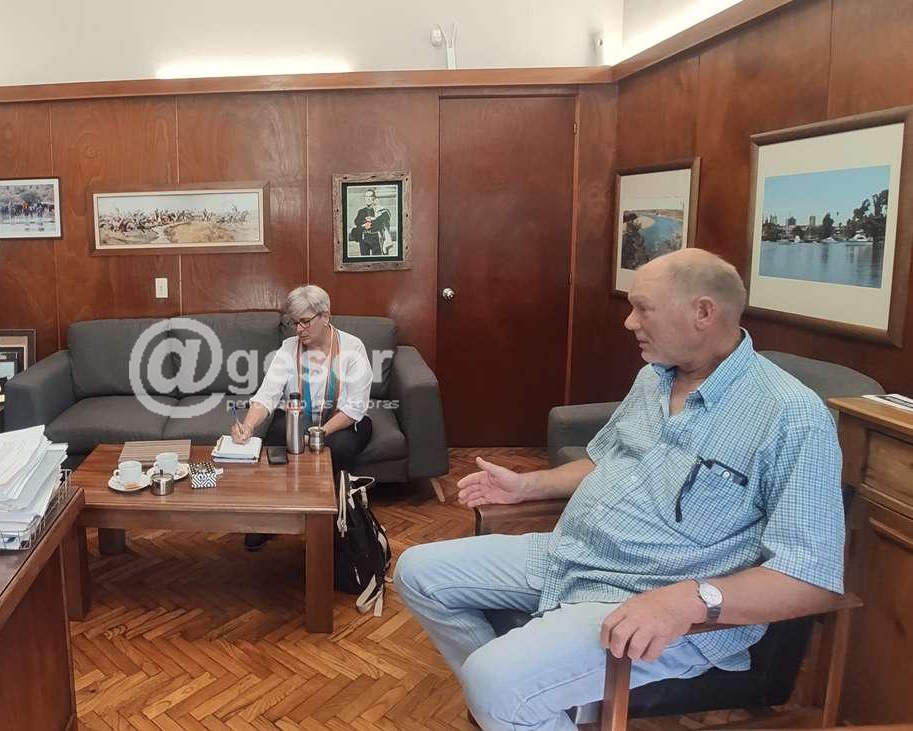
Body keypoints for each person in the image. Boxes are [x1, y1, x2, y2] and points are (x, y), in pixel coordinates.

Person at [394, 249, 845, 731]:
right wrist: (526, 485)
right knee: (417, 572)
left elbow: (811, 578)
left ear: (703, 312)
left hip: (650, 597)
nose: (629, 322)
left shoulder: (791, 415)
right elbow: (603, 460)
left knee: (494, 682)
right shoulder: (653, 378)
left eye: (643, 308)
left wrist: (690, 601)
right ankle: (528, 701)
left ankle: (511, 696)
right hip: (570, 555)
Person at [231, 284, 375, 550]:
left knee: (338, 449)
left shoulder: (353, 348)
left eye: (305, 321)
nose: (299, 329)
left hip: (341, 423)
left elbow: (354, 408)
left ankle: (330, 525)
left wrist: (318, 434)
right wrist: (248, 425)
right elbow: (267, 395)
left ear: (325, 316)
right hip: (299, 419)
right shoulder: (288, 349)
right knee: (274, 440)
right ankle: (270, 519)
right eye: (294, 322)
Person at [349, 188, 390, 256]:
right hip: (364, 237)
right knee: (364, 258)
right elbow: (357, 222)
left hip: (376, 237)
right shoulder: (361, 211)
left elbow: (384, 219)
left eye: (370, 196)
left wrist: (372, 221)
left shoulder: (379, 210)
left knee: (377, 258)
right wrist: (365, 223)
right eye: (366, 196)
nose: (368, 199)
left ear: (374, 198)